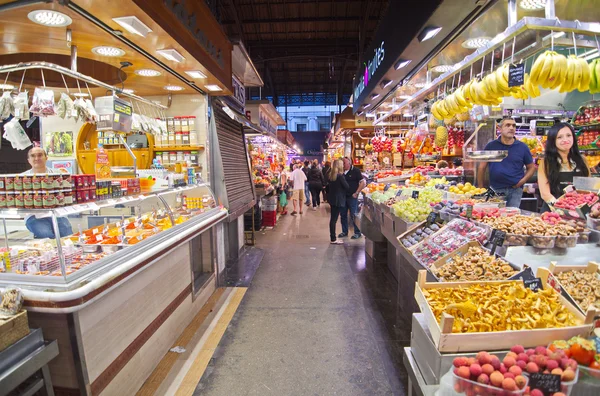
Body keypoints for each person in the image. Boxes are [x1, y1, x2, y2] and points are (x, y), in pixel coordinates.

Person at [477, 118, 536, 208]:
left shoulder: (522, 147)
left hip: (516, 190)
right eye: (507, 125)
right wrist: (480, 188)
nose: (511, 128)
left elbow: (531, 167)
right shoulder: (491, 146)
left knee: (512, 217)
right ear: (500, 129)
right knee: (495, 216)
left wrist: (523, 181)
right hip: (496, 189)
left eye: (514, 126)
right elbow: (482, 167)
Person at [537, 122, 590, 212]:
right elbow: (545, 193)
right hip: (553, 213)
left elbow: (588, 189)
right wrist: (561, 210)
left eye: (568, 135)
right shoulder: (546, 162)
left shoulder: (582, 160)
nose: (565, 140)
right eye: (559, 137)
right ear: (553, 141)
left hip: (579, 212)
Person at [22, 147, 73, 239]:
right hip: (34, 216)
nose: (37, 158)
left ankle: (66, 252)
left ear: (46, 158)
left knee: (66, 233)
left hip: (57, 214)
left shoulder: (58, 174)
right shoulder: (22, 178)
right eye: (33, 156)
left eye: (40, 155)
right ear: (29, 160)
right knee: (45, 234)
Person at [339, 157, 366, 239]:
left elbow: (363, 182)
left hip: (352, 197)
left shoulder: (356, 171)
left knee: (354, 215)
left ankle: (357, 232)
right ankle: (344, 231)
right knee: (343, 215)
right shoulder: (341, 171)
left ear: (349, 163)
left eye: (345, 163)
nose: (343, 165)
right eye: (342, 163)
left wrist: (357, 192)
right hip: (343, 197)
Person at [327, 159, 349, 244]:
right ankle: (333, 239)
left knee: (333, 219)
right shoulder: (340, 176)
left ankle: (333, 237)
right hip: (339, 199)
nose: (343, 165)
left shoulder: (331, 175)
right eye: (342, 164)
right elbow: (346, 187)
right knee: (334, 219)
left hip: (332, 199)